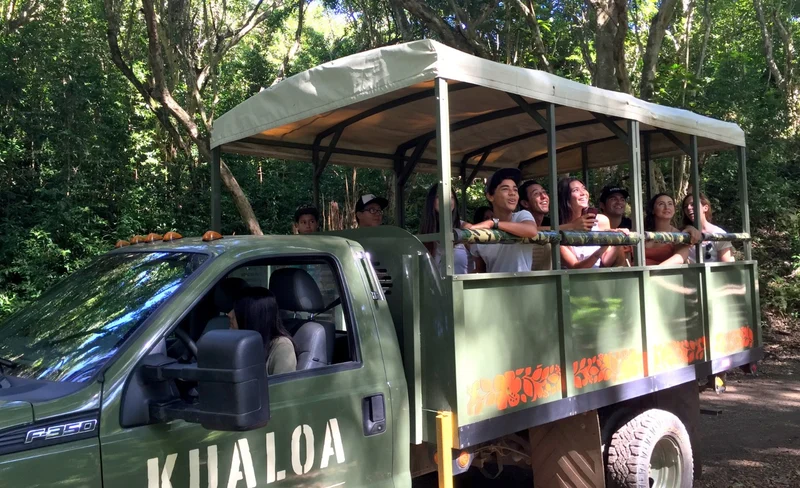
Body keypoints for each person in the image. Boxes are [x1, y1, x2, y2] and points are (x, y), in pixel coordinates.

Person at [469, 168, 538, 273]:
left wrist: (494, 223)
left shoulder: (521, 216)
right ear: (490, 196)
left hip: (523, 283)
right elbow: (481, 271)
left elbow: (531, 230)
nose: (512, 193)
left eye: (515, 190)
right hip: (494, 283)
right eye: (505, 189)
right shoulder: (480, 234)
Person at [557, 178, 626, 269]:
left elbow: (606, 261)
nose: (583, 193)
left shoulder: (601, 220)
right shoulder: (561, 228)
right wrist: (572, 226)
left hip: (601, 275)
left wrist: (617, 239)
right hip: (576, 276)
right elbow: (576, 267)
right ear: (565, 198)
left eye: (583, 188)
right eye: (576, 190)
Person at [231, 287, 297, 375]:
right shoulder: (241, 343)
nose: (229, 314)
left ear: (252, 315)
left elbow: (284, 383)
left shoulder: (282, 346)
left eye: (236, 310)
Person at [419, 183, 472, 275]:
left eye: (451, 197)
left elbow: (481, 264)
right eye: (439, 197)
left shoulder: (464, 227)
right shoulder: (425, 233)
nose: (446, 200)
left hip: (461, 284)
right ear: (431, 201)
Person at [682, 193, 735, 263]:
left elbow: (726, 265)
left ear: (705, 208)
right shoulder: (683, 232)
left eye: (693, 204)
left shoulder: (719, 233)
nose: (688, 208)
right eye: (685, 206)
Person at [643, 194, 692, 265]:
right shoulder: (643, 231)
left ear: (674, 210)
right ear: (653, 210)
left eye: (670, 204)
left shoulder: (679, 235)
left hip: (660, 271)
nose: (666, 207)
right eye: (661, 204)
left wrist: (653, 270)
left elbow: (679, 258)